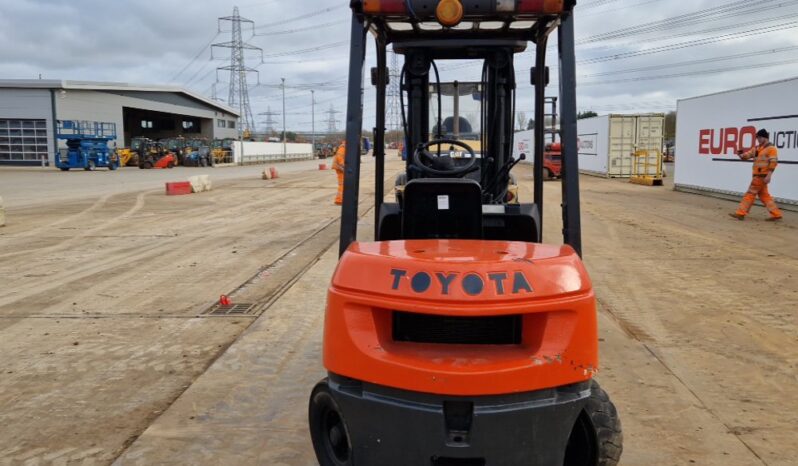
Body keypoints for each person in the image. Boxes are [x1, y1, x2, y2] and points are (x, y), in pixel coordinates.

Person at [729, 129, 782, 221]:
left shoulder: (771, 149)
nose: (758, 139)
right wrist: (740, 154)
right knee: (764, 196)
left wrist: (769, 176)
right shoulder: (757, 148)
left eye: (759, 137)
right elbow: (746, 156)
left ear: (765, 137)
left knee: (750, 194)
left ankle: (740, 213)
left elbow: (773, 162)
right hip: (759, 176)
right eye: (757, 138)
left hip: (761, 176)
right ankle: (776, 214)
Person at [333, 140, 346, 205]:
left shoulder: (344, 148)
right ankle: (339, 200)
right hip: (340, 168)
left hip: (340, 167)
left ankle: (342, 199)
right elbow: (339, 158)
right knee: (342, 184)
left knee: (344, 184)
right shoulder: (342, 148)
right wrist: (344, 166)